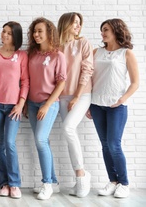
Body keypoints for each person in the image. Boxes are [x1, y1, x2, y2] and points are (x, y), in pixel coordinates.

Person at [87, 19, 139, 198]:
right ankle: (113, 181)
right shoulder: (96, 52)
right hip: (96, 105)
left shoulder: (126, 53)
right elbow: (89, 79)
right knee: (104, 145)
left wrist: (122, 99)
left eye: (106, 29)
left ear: (116, 30)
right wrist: (87, 104)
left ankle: (124, 183)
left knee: (114, 144)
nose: (102, 33)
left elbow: (135, 82)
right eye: (102, 30)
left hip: (117, 106)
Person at [0, 21, 29, 199]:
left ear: (15, 36)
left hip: (13, 108)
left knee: (9, 143)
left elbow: (25, 81)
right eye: (3, 31)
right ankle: (3, 183)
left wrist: (20, 104)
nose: (4, 35)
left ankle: (15, 184)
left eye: (9, 33)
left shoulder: (22, 55)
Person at [26, 17, 66, 200]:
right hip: (32, 105)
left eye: (40, 31)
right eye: (34, 31)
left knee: (41, 140)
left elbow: (61, 83)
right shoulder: (31, 54)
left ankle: (47, 183)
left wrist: (47, 105)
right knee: (43, 141)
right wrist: (26, 103)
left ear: (49, 32)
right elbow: (26, 81)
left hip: (48, 104)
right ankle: (54, 182)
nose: (36, 34)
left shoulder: (58, 55)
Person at [57, 12, 93, 197]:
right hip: (62, 96)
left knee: (68, 128)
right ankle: (79, 176)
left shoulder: (83, 42)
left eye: (79, 23)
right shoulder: (57, 46)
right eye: (74, 23)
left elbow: (87, 69)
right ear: (65, 24)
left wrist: (77, 96)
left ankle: (81, 174)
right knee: (69, 133)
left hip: (82, 94)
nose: (78, 26)